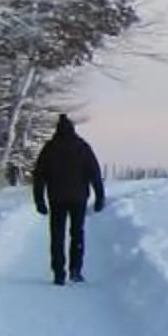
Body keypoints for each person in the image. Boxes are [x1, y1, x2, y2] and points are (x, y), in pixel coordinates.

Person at [30, 113, 106, 284]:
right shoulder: (82, 147)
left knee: (57, 236)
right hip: (78, 199)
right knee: (77, 234)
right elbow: (95, 173)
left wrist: (39, 200)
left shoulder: (49, 148)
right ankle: (75, 270)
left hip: (56, 198)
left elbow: (39, 177)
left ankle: (58, 273)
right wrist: (100, 197)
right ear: (73, 130)